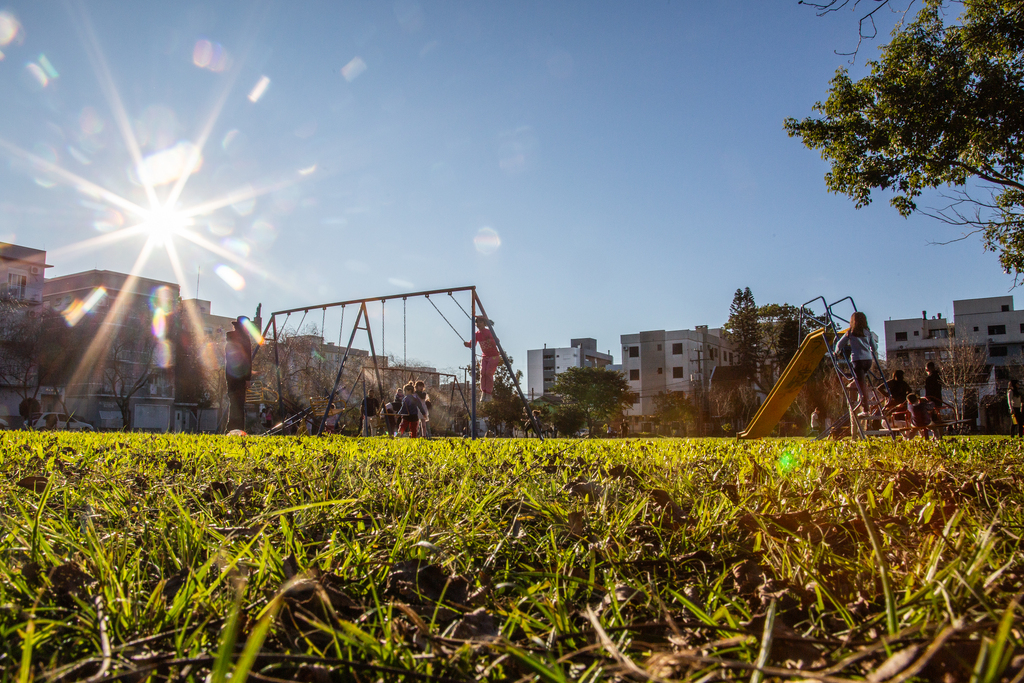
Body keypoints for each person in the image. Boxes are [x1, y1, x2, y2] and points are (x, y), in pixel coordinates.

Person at [835, 312, 878, 417]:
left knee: (861, 386)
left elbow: (839, 345)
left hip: (857, 361)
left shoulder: (850, 332)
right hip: (868, 360)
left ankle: (865, 410)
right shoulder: (868, 332)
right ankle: (861, 399)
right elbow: (874, 348)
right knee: (861, 382)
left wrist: (836, 352)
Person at [225, 317, 253, 432]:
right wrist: (247, 378)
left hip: (230, 375)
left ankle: (231, 428)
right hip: (241, 376)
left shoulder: (230, 338)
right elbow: (247, 359)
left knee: (234, 402)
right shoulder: (245, 339)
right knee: (240, 404)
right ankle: (238, 429)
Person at [464, 316, 501, 401]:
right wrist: (467, 344)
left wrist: (490, 341)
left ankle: (488, 393)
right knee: (482, 373)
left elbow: (497, 341)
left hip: (493, 356)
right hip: (485, 356)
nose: (478, 324)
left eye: (480, 322)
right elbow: (473, 344)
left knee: (488, 372)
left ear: (484, 323)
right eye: (477, 322)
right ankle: (483, 392)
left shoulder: (488, 332)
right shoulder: (477, 334)